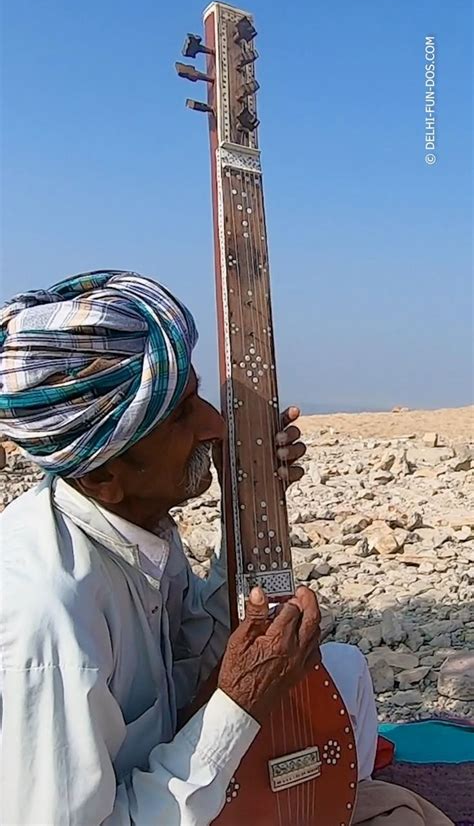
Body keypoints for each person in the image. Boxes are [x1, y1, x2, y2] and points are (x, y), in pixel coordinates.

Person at [0, 270, 452, 826]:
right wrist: (239, 703)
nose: (215, 426)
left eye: (197, 397)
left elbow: (192, 655)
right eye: (182, 415)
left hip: (167, 770)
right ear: (102, 476)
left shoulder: (136, 524)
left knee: (343, 667)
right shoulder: (49, 615)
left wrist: (248, 507)